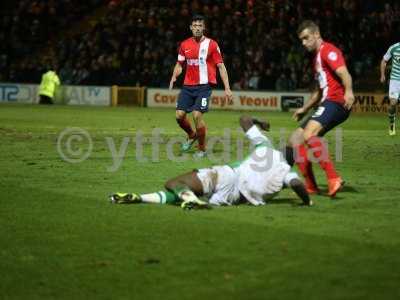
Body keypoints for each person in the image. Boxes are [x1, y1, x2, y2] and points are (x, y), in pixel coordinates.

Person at [110, 115, 312, 209]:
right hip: (234, 199)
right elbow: (296, 183)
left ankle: (189, 198)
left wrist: (259, 122)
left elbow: (244, 119)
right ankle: (139, 198)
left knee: (174, 184)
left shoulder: (266, 146)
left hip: (227, 176)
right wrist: (307, 201)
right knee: (183, 195)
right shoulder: (286, 172)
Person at [288, 20, 355, 197]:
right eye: (301, 40)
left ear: (316, 34)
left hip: (336, 102)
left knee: (309, 134)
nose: (303, 43)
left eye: (306, 38)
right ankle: (311, 186)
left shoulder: (328, 51)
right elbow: (319, 92)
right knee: (295, 140)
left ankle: (334, 179)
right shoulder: (316, 58)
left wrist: (348, 91)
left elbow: (344, 72)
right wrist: (304, 108)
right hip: (326, 102)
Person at [169, 14, 233, 158]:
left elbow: (221, 67)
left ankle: (201, 149)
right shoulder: (184, 45)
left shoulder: (212, 44)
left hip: (204, 86)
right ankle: (192, 135)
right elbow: (179, 64)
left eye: (200, 26)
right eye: (195, 26)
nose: (197, 28)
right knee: (179, 116)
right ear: (191, 28)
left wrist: (227, 88)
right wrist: (174, 75)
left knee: (197, 115)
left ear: (204, 27)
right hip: (187, 86)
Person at [380, 42, 400, 135]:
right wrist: (382, 75)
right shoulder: (394, 47)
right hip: (395, 80)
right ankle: (392, 124)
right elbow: (384, 61)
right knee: (393, 103)